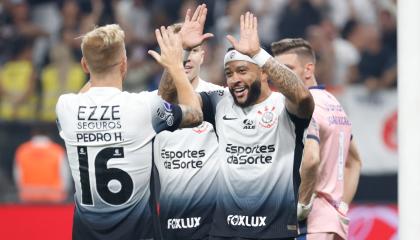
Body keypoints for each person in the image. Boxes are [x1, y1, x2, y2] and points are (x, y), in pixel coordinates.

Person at [160, 12, 314, 239]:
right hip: (225, 231)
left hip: (275, 231)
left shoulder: (284, 106)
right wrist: (181, 53)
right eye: (229, 73)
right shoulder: (220, 102)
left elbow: (303, 98)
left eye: (242, 71)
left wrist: (258, 54)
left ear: (263, 72)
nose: (234, 80)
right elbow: (171, 103)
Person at [55, 24, 203, 240]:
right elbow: (195, 114)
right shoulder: (143, 106)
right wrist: (175, 63)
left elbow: (88, 90)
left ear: (84, 65)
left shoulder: (65, 106)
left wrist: (97, 60)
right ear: (124, 65)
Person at [271, 38, 362, 240]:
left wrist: (303, 205)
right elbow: (354, 161)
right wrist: (341, 207)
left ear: (308, 70)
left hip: (309, 224)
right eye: (276, 71)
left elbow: (311, 160)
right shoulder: (332, 101)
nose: (279, 77)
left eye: (287, 69)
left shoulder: (307, 107)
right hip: (332, 222)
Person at [153, 4, 224, 240]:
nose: (186, 58)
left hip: (214, 223)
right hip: (168, 222)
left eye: (193, 50)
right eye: (179, 50)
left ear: (203, 55)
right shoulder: (152, 103)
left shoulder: (222, 98)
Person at [14, 124, 70, 203]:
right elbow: (64, 175)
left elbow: (18, 175)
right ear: (49, 134)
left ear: (33, 133)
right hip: (54, 196)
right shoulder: (57, 151)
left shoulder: (23, 150)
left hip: (28, 196)